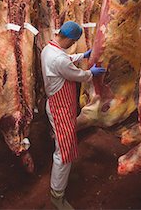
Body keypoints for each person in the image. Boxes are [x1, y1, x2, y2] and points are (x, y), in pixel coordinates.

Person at [41, 21, 106, 210]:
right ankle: (57, 195)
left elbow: (65, 59)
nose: (72, 45)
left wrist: (82, 56)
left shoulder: (49, 49)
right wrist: (90, 73)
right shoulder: (58, 59)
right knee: (64, 153)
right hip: (59, 109)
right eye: (74, 42)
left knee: (64, 148)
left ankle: (58, 190)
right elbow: (76, 74)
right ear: (69, 38)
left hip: (61, 107)